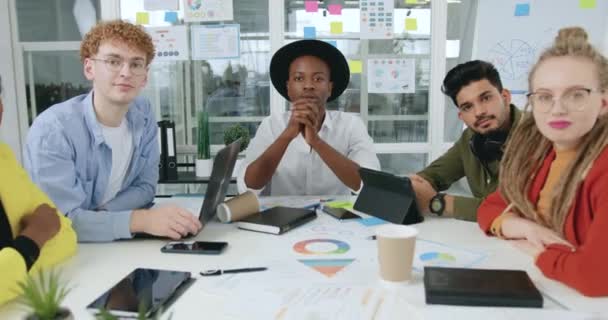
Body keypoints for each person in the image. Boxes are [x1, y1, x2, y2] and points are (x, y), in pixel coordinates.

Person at [24, 20, 201, 242]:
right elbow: (60, 223)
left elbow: (145, 187)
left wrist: (103, 218)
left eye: (136, 64)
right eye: (113, 61)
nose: (126, 72)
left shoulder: (142, 114)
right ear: (90, 68)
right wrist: (139, 220)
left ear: (145, 77)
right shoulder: (53, 131)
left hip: (112, 247)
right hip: (66, 257)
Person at [477, 27, 608, 296]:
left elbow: (595, 277)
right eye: (546, 97)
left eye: (576, 95)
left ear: (604, 103)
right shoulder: (540, 154)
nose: (558, 108)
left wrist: (541, 255)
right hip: (551, 286)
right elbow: (490, 208)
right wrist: (522, 226)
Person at [237, 39, 380, 196]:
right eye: (299, 78)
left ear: (330, 88)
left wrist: (316, 142)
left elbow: (369, 183)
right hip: (283, 218)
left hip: (337, 219)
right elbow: (248, 186)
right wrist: (287, 135)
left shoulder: (351, 125)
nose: (308, 86)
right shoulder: (271, 125)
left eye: (318, 79)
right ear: (288, 88)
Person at [410, 60, 522, 221]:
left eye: (486, 98)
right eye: (467, 107)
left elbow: (513, 211)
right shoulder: (471, 137)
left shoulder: (539, 136)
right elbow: (434, 175)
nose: (479, 112)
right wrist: (413, 185)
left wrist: (438, 203)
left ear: (505, 97)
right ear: (461, 116)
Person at [0, 74, 77, 305]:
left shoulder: (4, 160)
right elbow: (45, 229)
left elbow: (65, 233)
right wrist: (34, 237)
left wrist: (13, 264)